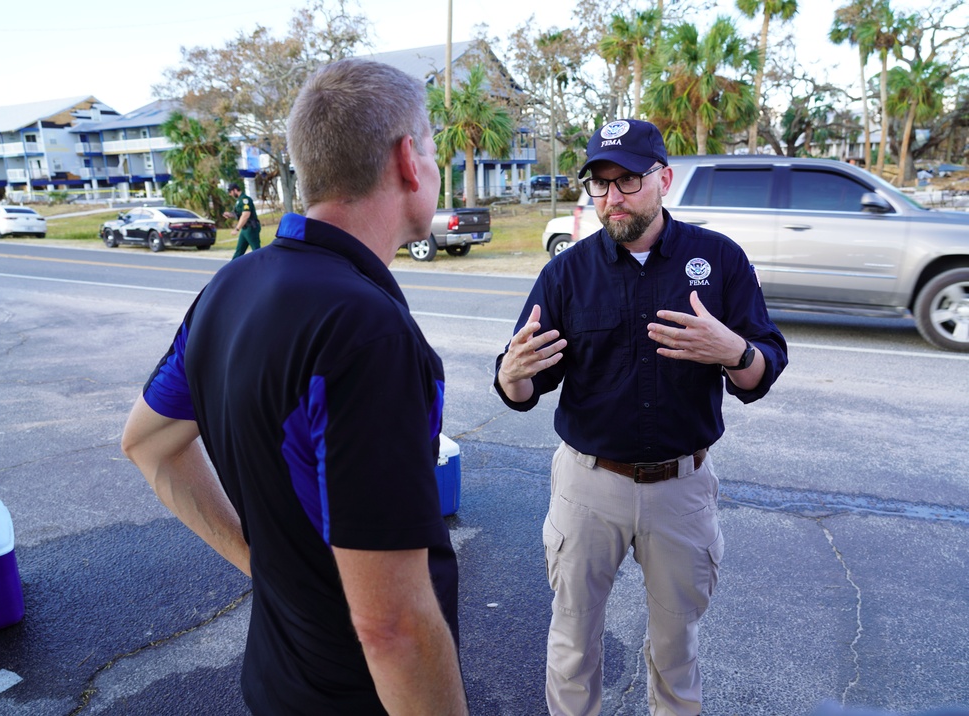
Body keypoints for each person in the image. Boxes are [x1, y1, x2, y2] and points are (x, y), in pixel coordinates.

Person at [121, 58, 467, 716]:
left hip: (274, 684)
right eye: (431, 145)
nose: (435, 164)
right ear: (405, 159)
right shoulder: (369, 335)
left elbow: (148, 444)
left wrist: (264, 566)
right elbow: (391, 627)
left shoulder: (229, 287)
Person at [494, 119, 788, 716]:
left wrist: (732, 351)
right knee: (573, 645)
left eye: (628, 179)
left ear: (664, 180)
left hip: (681, 488)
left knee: (677, 651)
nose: (612, 197)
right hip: (587, 486)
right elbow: (526, 383)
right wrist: (509, 375)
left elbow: (763, 368)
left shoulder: (719, 260)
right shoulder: (566, 274)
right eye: (599, 185)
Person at [223, 183, 261, 259]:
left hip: (251, 228)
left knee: (257, 251)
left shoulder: (245, 200)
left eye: (230, 192)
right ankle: (232, 269)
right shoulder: (239, 201)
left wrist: (237, 229)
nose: (230, 194)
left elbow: (246, 215)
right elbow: (239, 214)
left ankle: (265, 267)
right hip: (245, 229)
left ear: (235, 190)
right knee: (239, 251)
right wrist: (230, 215)